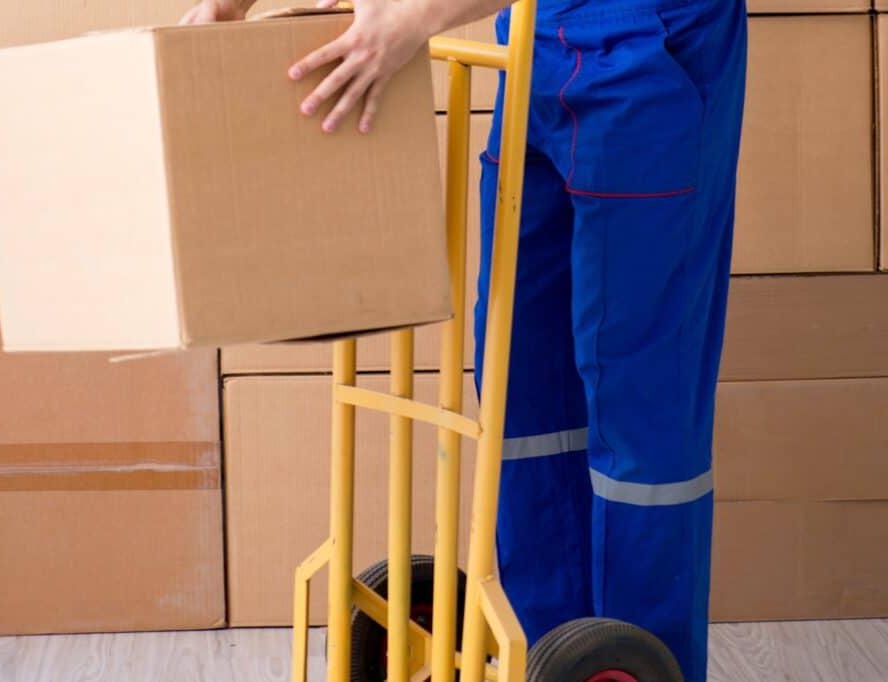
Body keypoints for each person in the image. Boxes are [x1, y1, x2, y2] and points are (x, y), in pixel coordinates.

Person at [182, 1, 747, 679]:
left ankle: (638, 656)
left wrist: (416, 17)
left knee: (641, 400)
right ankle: (543, 649)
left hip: (653, 49)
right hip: (535, 46)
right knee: (522, 386)